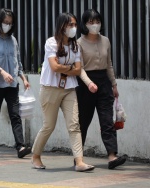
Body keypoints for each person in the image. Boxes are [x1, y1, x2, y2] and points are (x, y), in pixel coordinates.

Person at [31, 13, 95, 172]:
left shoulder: (76, 46)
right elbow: (54, 67)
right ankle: (35, 156)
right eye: (70, 25)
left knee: (74, 125)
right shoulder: (51, 43)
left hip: (69, 89)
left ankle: (79, 162)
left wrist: (67, 69)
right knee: (49, 126)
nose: (73, 28)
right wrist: (70, 69)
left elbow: (79, 69)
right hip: (50, 88)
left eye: (74, 25)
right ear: (62, 26)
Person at [76, 9, 126, 169]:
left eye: (97, 21)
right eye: (90, 22)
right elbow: (80, 68)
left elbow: (109, 65)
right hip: (85, 85)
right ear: (84, 24)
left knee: (107, 121)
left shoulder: (105, 41)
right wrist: (89, 83)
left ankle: (112, 155)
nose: (94, 25)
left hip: (104, 83)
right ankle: (78, 158)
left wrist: (114, 85)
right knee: (83, 122)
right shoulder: (79, 43)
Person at [0, 8, 32, 158]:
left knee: (15, 115)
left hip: (12, 85)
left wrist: (24, 79)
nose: (7, 25)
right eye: (5, 22)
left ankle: (20, 147)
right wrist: (3, 73)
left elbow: (17, 62)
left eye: (10, 23)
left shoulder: (13, 40)